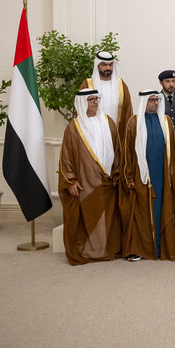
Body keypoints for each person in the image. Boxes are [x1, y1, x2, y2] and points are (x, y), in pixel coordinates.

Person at [58, 89, 121, 265]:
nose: (95, 102)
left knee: (108, 217)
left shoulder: (109, 122)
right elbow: (66, 157)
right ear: (81, 102)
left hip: (108, 181)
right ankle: (89, 251)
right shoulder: (73, 128)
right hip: (86, 181)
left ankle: (106, 249)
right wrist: (70, 180)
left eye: (96, 99)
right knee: (88, 216)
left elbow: (118, 151)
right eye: (91, 99)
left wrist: (117, 172)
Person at [120, 90, 175, 262]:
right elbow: (126, 152)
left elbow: (173, 150)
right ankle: (142, 249)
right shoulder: (134, 122)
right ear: (144, 102)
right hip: (142, 175)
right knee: (142, 212)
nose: (155, 102)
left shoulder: (166, 121)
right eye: (152, 100)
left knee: (162, 209)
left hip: (162, 176)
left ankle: (163, 248)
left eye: (157, 99)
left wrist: (173, 174)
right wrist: (128, 176)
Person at [80, 51, 132, 140]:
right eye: (104, 65)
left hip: (116, 135)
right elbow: (80, 109)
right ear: (97, 66)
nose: (108, 68)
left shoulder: (121, 85)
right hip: (93, 135)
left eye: (110, 65)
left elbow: (128, 111)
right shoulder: (88, 85)